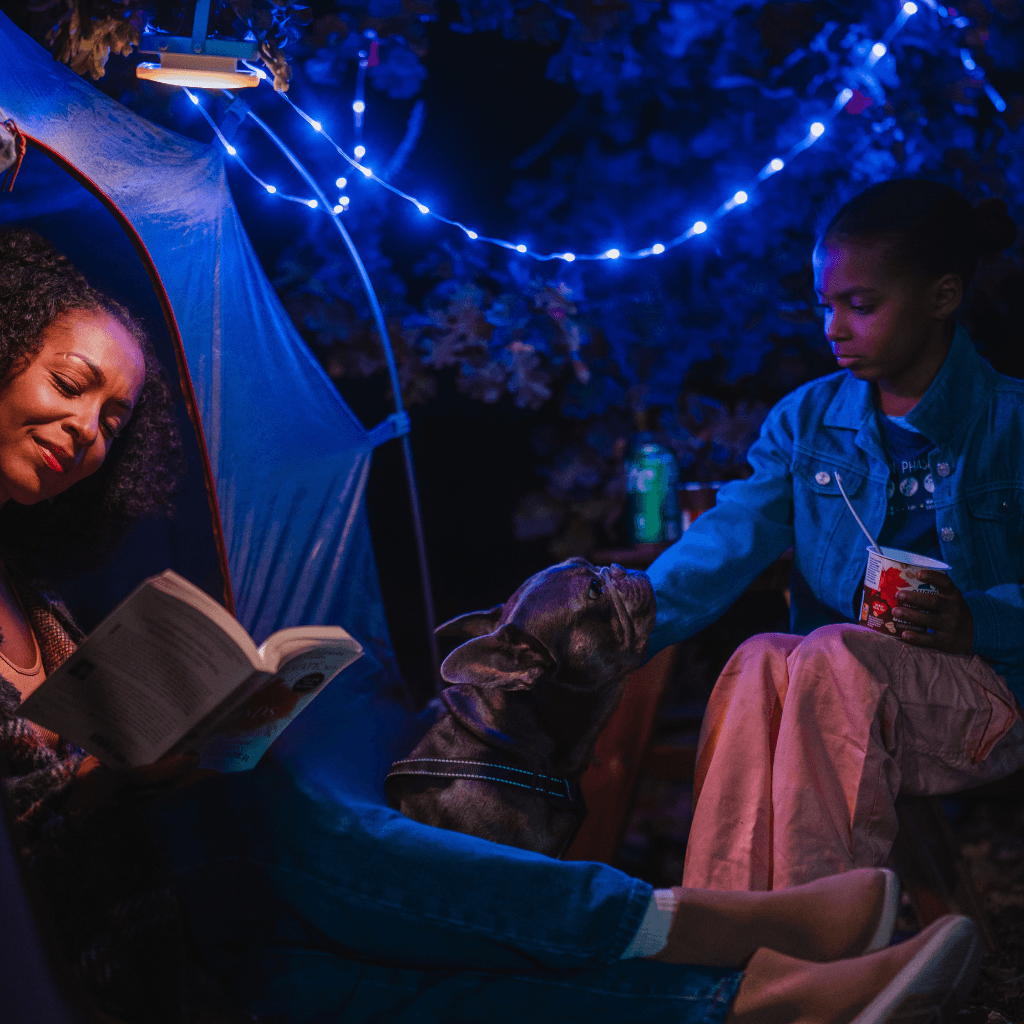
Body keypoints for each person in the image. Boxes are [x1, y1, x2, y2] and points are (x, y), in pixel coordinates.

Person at [0, 227, 983, 1024]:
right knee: (270, 808)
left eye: (115, 417)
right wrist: (115, 788)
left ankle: (755, 999)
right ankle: (695, 930)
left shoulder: (40, 602)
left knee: (391, 974)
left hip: (185, 933)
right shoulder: (812, 420)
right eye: (71, 385)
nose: (88, 431)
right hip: (85, 936)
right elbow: (46, 834)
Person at [645, 178, 1023, 892]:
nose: (834, 326)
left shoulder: (1012, 425)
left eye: (862, 305)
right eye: (825, 303)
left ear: (942, 298)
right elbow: (729, 536)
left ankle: (815, 945)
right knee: (760, 656)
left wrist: (979, 616)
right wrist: (627, 615)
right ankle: (723, 927)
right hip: (839, 701)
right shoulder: (806, 422)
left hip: (989, 703)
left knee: (833, 653)